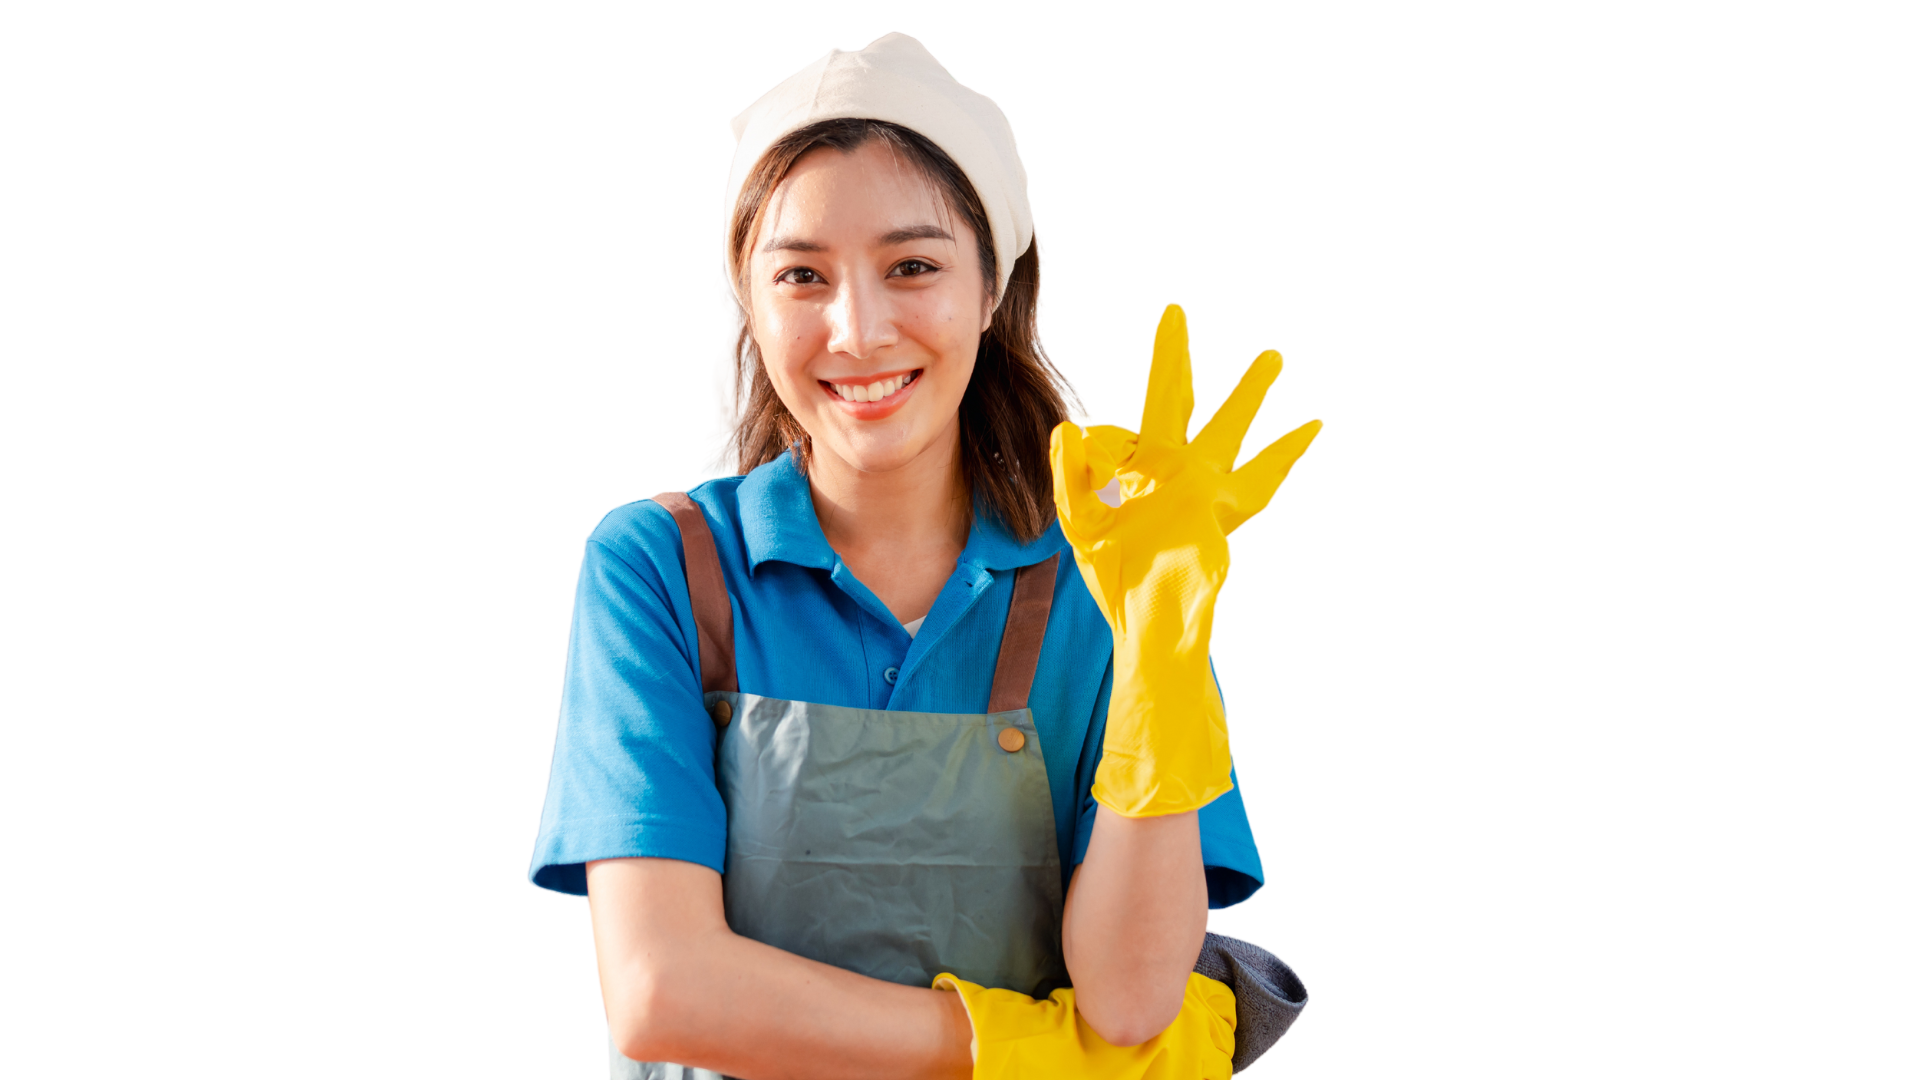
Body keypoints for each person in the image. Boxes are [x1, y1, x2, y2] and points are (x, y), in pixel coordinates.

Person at [527, 32, 1314, 1079]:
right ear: (748, 309)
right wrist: (1016, 1046)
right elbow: (663, 993)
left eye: (913, 266)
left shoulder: (1111, 579)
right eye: (802, 274)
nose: (857, 329)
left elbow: (1128, 1007)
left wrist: (1164, 656)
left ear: (995, 289)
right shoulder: (665, 569)